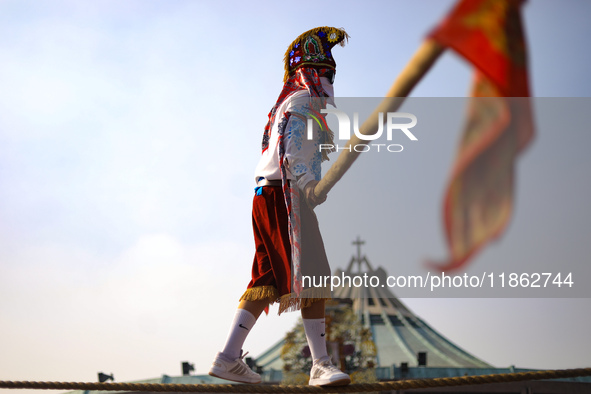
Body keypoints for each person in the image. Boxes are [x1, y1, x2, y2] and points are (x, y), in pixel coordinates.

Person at [208, 27, 351, 387]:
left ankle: (227, 357)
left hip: (264, 196)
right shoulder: (303, 100)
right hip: (285, 196)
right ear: (310, 72)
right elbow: (292, 151)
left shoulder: (285, 103)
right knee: (314, 271)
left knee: (266, 280)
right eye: (325, 72)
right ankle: (319, 364)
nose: (328, 80)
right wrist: (309, 187)